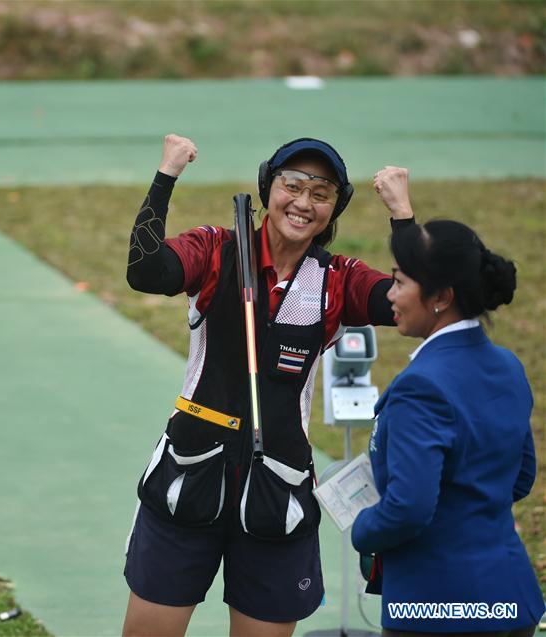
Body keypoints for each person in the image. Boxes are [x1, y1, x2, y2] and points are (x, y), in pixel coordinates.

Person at [122, 134, 415, 636]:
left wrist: (403, 216)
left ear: (334, 208)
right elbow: (145, 271)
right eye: (292, 185)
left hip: (277, 494)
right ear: (267, 187)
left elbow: (414, 302)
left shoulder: (337, 280)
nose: (303, 203)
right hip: (186, 480)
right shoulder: (216, 249)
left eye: (321, 193)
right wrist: (165, 175)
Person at [351, 217, 543, 636]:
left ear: (441, 296)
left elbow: (408, 508)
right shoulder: (508, 366)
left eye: (400, 282)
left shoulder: (421, 386)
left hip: (440, 607)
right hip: (512, 596)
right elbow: (521, 474)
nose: (391, 295)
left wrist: (362, 529)